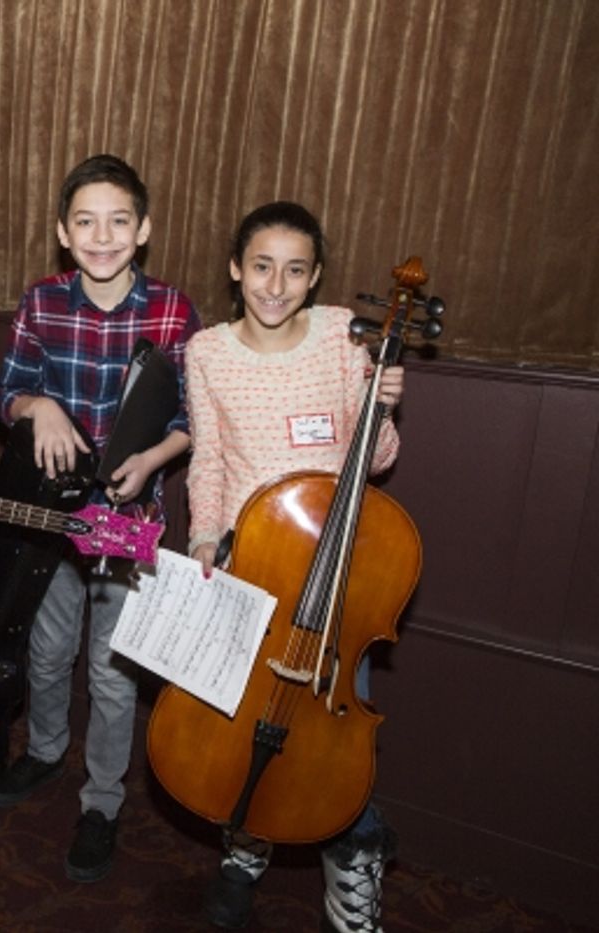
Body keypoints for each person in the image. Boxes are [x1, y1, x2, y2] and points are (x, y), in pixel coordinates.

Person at [185, 201, 404, 933]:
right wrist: (205, 538)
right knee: (242, 720)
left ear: (315, 278)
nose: (276, 285)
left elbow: (372, 463)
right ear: (234, 269)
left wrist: (381, 405)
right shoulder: (208, 352)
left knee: (332, 740)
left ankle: (353, 880)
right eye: (261, 266)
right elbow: (208, 459)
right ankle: (245, 844)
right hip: (254, 566)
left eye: (296, 269)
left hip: (340, 575)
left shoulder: (346, 334)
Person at [0, 154, 201, 883]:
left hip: (129, 517)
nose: (102, 235)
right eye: (85, 221)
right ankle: (46, 750)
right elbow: (8, 389)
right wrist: (37, 405)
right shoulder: (42, 301)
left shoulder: (172, 309)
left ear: (142, 230)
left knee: (112, 675)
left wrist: (153, 461)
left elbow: (190, 416)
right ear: (63, 231)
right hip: (52, 514)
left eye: (118, 221)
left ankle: (103, 799)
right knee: (46, 652)